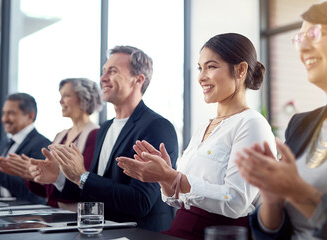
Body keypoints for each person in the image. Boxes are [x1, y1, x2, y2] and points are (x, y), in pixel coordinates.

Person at [116, 33, 276, 240]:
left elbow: (236, 201)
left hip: (215, 234)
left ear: (241, 70)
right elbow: (180, 199)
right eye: (201, 67)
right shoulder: (204, 127)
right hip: (179, 232)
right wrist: (165, 177)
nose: (201, 77)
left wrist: (171, 177)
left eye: (211, 66)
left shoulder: (251, 123)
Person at [29, 45, 179, 232]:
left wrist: (81, 176)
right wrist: (60, 178)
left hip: (140, 234)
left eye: (113, 71)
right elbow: (94, 189)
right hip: (102, 231)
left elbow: (140, 202)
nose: (103, 78)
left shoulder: (157, 127)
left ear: (138, 79)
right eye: (103, 71)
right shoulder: (105, 127)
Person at [235, 2, 327, 239]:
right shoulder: (301, 125)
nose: (303, 47)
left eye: (315, 34)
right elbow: (272, 232)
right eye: (299, 38)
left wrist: (296, 191)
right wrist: (272, 199)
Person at [0, 78, 103, 208]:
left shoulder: (95, 135)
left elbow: (85, 184)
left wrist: (53, 178)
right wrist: (32, 175)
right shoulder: (60, 136)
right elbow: (46, 191)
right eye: (61, 96)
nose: (60, 101)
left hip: (74, 215)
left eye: (66, 96)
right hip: (53, 212)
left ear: (84, 98)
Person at [0, 93, 50, 203]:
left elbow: (32, 190)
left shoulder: (42, 145)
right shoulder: (5, 142)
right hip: (1, 209)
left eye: (11, 113)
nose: (4, 119)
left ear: (30, 116)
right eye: (4, 113)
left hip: (27, 213)